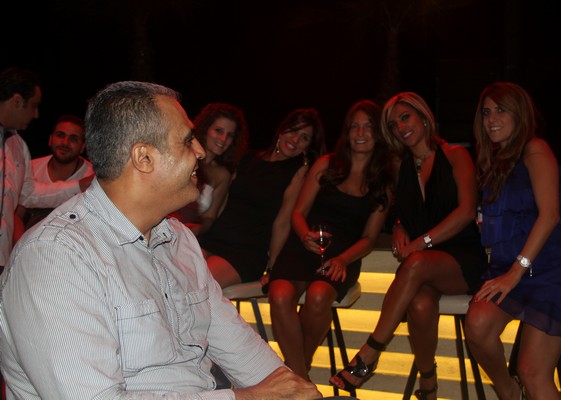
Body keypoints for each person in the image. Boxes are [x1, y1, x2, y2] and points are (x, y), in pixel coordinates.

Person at [0, 80, 322, 399]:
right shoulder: (55, 257)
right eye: (187, 141)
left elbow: (239, 345)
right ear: (144, 158)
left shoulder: (178, 240)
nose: (200, 151)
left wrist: (295, 391)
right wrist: (249, 397)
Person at [329, 92, 487, 398]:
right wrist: (400, 226)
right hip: (425, 265)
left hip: (462, 258)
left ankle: (370, 353)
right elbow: (397, 211)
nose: (401, 128)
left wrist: (420, 243)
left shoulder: (455, 155)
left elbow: (467, 212)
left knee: (415, 262)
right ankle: (428, 385)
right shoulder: (400, 166)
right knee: (420, 305)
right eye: (394, 124)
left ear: (424, 117)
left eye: (405, 118)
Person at [464, 82, 561, 400]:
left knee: (533, 372)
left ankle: (520, 387)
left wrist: (515, 271)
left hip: (552, 267)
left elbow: (550, 215)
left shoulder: (535, 149)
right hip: (513, 266)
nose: (491, 119)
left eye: (500, 110)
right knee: (478, 324)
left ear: (519, 113)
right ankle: (509, 392)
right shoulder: (495, 161)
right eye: (486, 112)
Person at [267, 99, 393, 380]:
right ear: (347, 132)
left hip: (343, 255)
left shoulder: (382, 182)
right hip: (304, 244)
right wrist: (304, 235)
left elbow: (370, 238)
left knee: (319, 295)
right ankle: (301, 376)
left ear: (378, 133)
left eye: (368, 127)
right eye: (354, 127)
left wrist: (343, 259)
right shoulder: (326, 164)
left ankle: (297, 372)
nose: (360, 133)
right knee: (279, 294)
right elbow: (298, 212)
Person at [198, 108, 327, 289]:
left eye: (304, 138)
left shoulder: (298, 172)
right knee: (174, 276)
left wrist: (272, 268)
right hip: (213, 238)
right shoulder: (248, 158)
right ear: (282, 129)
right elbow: (222, 200)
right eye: (293, 130)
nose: (296, 140)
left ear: (308, 146)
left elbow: (282, 223)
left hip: (245, 252)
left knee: (199, 285)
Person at [0, 67, 92, 270]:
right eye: (33, 106)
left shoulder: (17, 146)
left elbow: (28, 194)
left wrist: (79, 186)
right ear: (17, 101)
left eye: (73, 138)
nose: (36, 114)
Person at [172, 102, 248, 236]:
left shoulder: (222, 175)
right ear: (205, 128)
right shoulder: (182, 154)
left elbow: (210, 217)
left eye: (230, 135)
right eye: (219, 131)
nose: (223, 139)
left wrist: (197, 230)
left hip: (186, 235)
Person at [19, 113, 94, 229]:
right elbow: (17, 214)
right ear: (50, 139)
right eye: (60, 135)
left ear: (83, 146)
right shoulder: (31, 168)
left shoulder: (92, 177)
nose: (65, 142)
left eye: (73, 139)